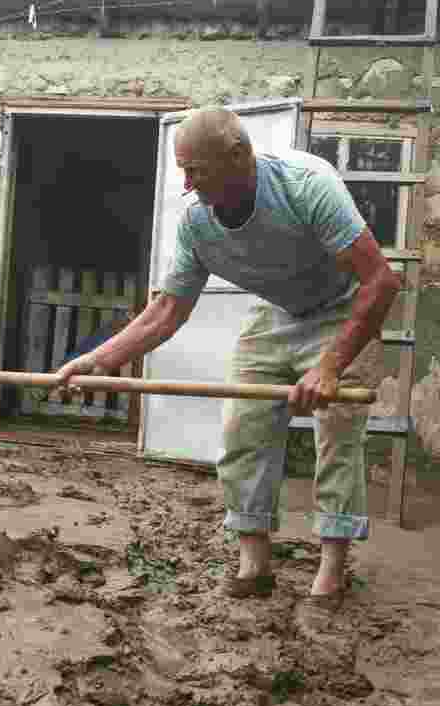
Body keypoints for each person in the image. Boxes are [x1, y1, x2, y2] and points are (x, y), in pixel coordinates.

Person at [54, 107, 401, 620]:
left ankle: (331, 567)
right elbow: (167, 310)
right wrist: (99, 361)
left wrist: (329, 365)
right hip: (276, 312)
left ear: (239, 156)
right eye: (183, 170)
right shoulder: (197, 222)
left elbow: (382, 281)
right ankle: (255, 563)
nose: (188, 183)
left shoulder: (307, 185)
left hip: (343, 308)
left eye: (197, 169)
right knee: (244, 428)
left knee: (337, 433)